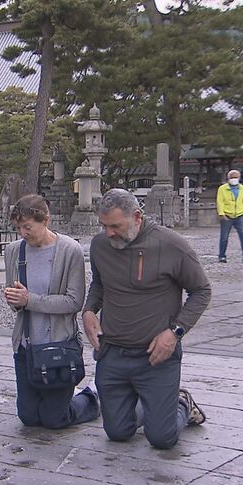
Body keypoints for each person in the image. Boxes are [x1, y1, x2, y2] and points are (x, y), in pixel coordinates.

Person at [83, 189, 211, 450]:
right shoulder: (100, 245)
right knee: (118, 432)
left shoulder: (172, 245)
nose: (109, 233)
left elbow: (202, 291)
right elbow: (99, 283)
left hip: (156, 355)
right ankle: (151, 407)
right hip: (113, 353)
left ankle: (181, 402)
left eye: (116, 226)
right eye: (104, 226)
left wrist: (175, 332)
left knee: (162, 439)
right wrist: (88, 310)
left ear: (137, 216)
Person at [3, 194, 99, 429]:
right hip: (27, 343)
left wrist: (30, 300)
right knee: (29, 418)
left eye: (27, 227)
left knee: (55, 419)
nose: (23, 234)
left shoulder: (69, 250)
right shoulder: (14, 251)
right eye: (18, 228)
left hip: (58, 342)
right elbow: (16, 301)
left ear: (45, 220)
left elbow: (74, 302)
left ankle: (92, 397)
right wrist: (15, 300)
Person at [216, 169, 243, 263]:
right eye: (232, 177)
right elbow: (220, 201)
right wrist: (221, 213)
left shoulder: (242, 188)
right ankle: (222, 256)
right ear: (228, 178)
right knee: (224, 237)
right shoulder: (222, 188)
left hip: (239, 214)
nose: (234, 179)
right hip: (227, 215)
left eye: (236, 177)